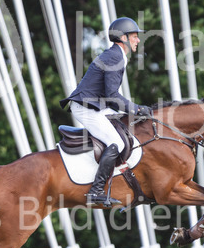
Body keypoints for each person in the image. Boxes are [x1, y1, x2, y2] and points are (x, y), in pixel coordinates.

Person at [60, 17, 153, 208]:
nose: (137, 40)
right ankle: (95, 191)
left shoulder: (116, 55)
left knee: (125, 127)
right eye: (135, 36)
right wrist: (136, 108)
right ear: (124, 38)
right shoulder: (115, 56)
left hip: (96, 104)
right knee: (116, 142)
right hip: (87, 107)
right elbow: (112, 95)